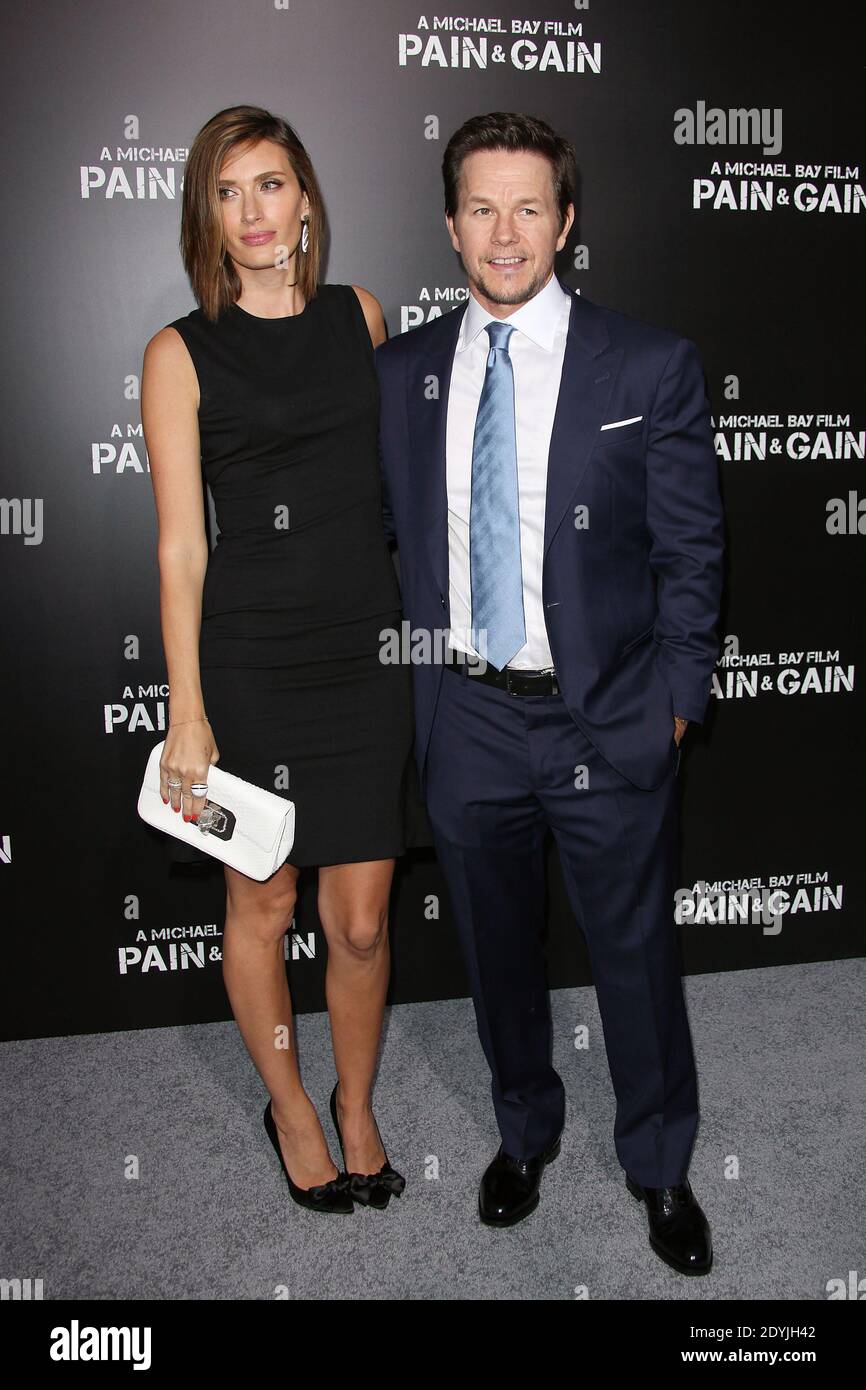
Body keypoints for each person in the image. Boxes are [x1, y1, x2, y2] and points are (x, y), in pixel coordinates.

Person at [375, 112, 725, 1273]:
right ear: (448, 222)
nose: (504, 232)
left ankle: (661, 1164)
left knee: (633, 953)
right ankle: (524, 1132)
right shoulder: (405, 372)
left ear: (566, 220)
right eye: (481, 206)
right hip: (466, 714)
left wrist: (675, 697)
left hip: (606, 711)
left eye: (529, 206)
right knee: (493, 952)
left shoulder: (646, 364)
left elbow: (690, 552)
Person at [141, 104, 425, 1215]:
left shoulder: (361, 315)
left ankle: (356, 1101)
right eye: (226, 191)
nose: (252, 212)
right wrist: (188, 711)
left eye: (269, 185)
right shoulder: (179, 351)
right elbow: (179, 543)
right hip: (252, 659)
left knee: (359, 919)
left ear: (304, 199)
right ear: (205, 216)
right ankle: (292, 1106)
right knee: (262, 903)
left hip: (365, 649)